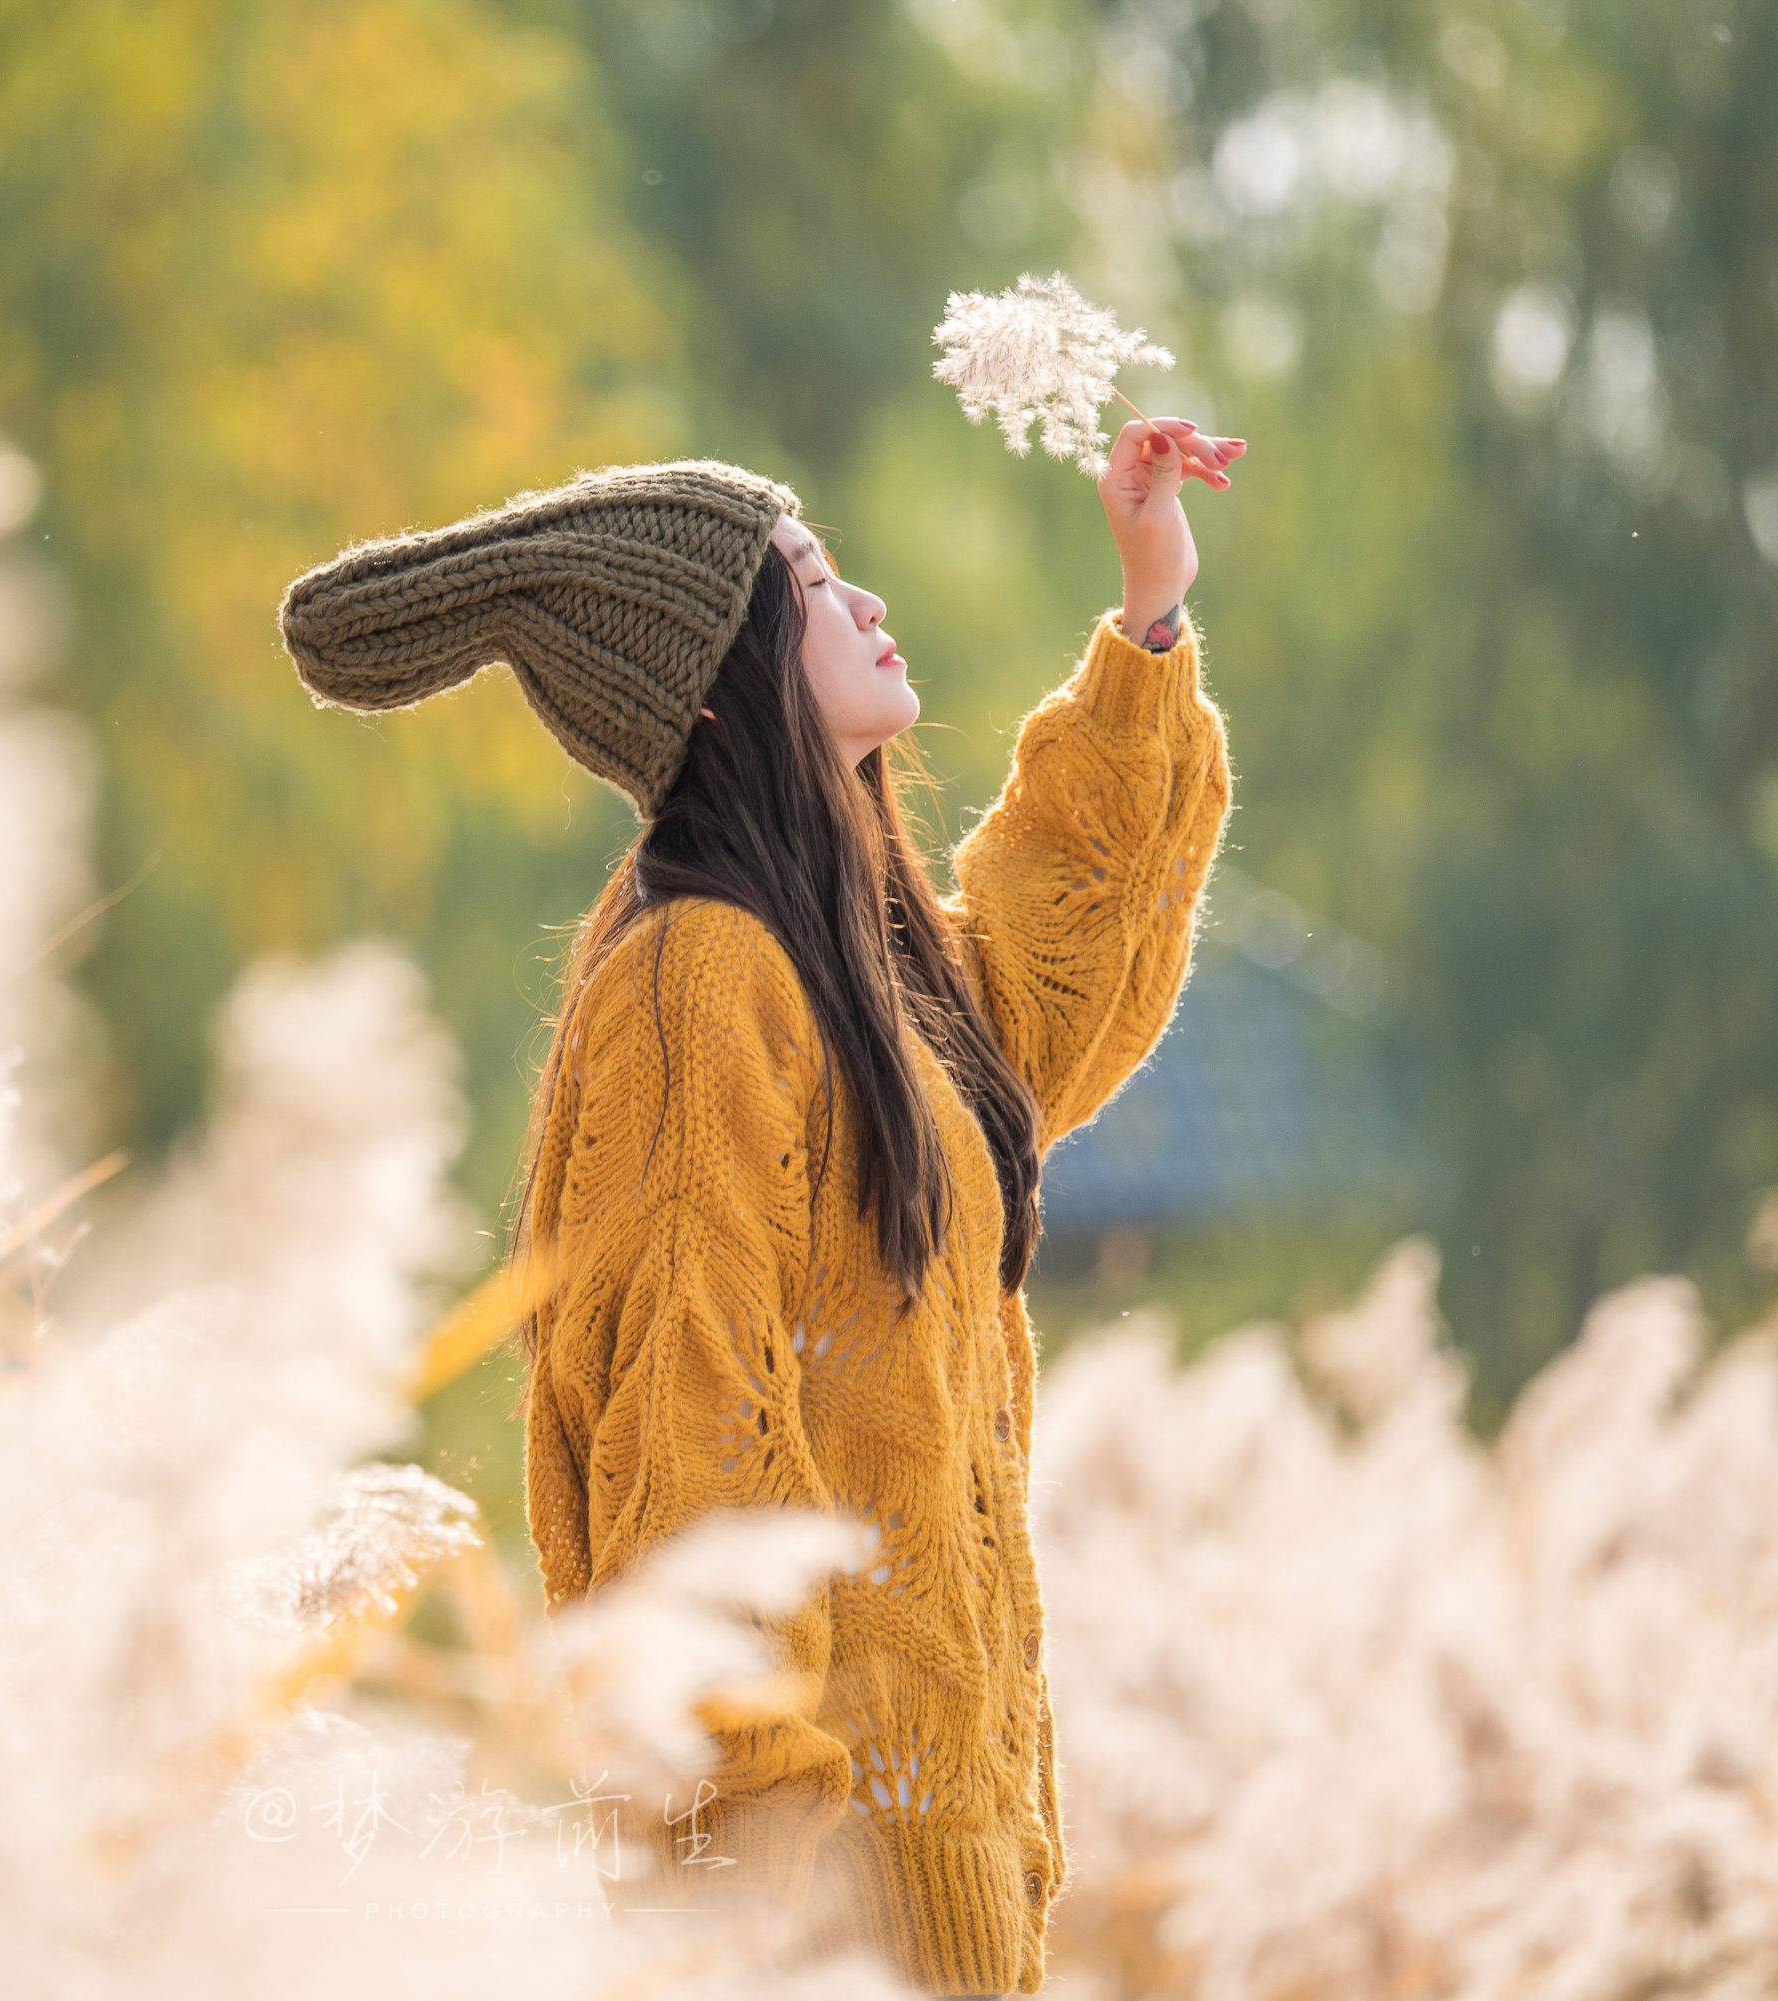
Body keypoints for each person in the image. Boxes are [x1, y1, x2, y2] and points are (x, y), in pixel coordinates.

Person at [277, 416, 1241, 1997]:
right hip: (821, 1907)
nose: (865, 601)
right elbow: (689, 1440)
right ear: (720, 679)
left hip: (949, 1862)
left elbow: (1050, 987)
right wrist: (757, 1900)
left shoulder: (862, 955)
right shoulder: (698, 979)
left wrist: (1151, 608)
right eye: (809, 584)